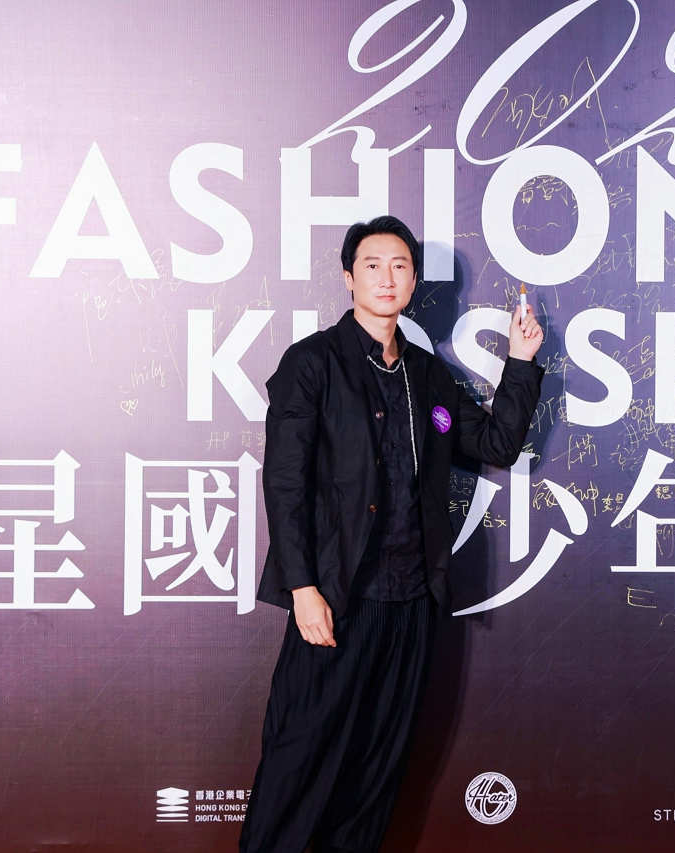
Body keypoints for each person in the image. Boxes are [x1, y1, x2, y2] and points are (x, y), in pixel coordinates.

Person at [239, 215, 545, 853]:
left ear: (413, 282)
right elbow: (285, 485)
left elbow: (495, 444)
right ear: (349, 278)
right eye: (372, 265)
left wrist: (520, 363)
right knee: (301, 760)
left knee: (375, 770)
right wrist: (302, 588)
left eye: (400, 266)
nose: (387, 277)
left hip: (411, 604)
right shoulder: (312, 364)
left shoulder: (428, 377)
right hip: (338, 600)